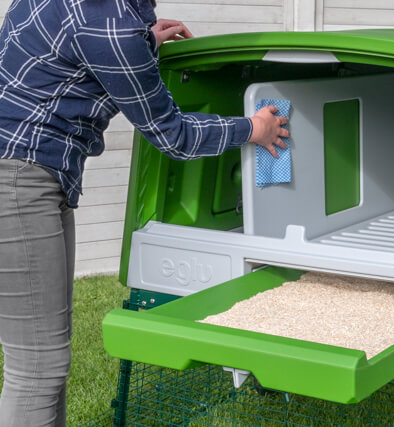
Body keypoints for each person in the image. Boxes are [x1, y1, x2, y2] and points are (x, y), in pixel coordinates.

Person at [0, 0, 288, 425]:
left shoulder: (101, 18)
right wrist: (254, 129)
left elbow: (71, 63)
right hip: (18, 182)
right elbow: (173, 136)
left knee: (46, 357)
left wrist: (144, 43)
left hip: (33, 177)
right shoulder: (112, 27)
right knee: (38, 365)